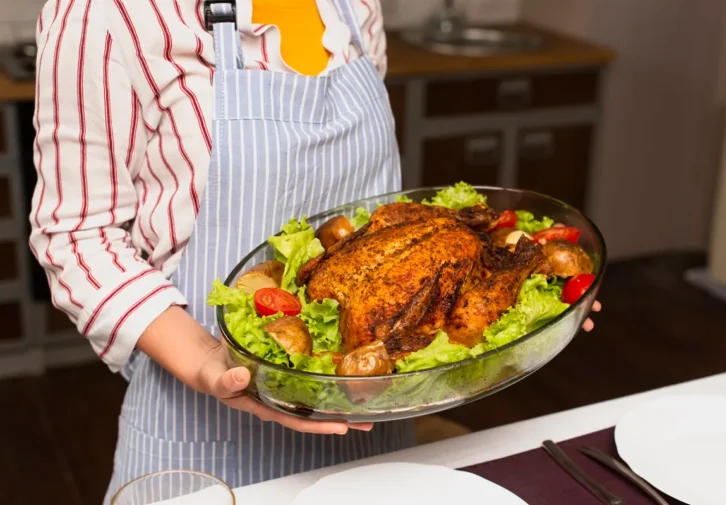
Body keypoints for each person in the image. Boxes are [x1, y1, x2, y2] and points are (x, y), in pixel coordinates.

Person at [30, 0, 600, 502]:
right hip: (205, 442)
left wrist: (535, 300)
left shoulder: (353, 5)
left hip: (375, 431)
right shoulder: (101, 10)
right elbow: (75, 235)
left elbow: (358, 211)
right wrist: (206, 359)